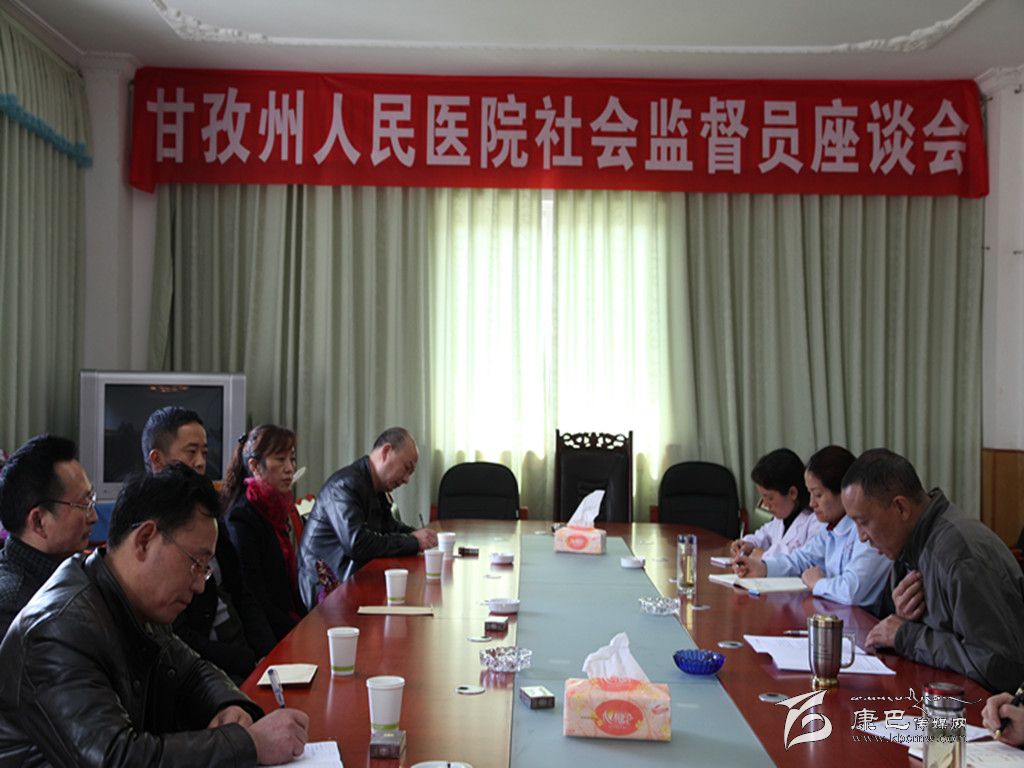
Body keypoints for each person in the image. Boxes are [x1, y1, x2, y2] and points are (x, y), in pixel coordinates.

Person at [0, 464, 309, 766]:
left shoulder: (131, 598)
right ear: (145, 539)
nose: (200, 585)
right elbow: (116, 758)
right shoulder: (58, 630)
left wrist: (227, 705)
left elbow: (192, 670)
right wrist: (248, 744)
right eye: (196, 563)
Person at [842, 448, 1024, 692]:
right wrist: (903, 620)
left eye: (863, 522)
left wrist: (908, 636)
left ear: (901, 508)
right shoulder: (909, 545)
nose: (861, 537)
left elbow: (1000, 668)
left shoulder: (959, 555)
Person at [143, 407, 275, 682]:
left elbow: (241, 592)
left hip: (242, 648)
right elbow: (178, 637)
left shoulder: (208, 512)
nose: (201, 462)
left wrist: (269, 653)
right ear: (157, 459)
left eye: (204, 452)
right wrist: (249, 661)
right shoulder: (150, 531)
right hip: (203, 670)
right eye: (191, 452)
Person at [733, 445, 891, 607]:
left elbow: (851, 591)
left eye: (818, 495)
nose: (811, 503)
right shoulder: (829, 527)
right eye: (810, 494)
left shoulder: (868, 530)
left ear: (844, 492)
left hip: (860, 618)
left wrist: (817, 583)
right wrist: (764, 569)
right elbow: (802, 559)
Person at [298, 427, 438, 609]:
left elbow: (390, 527)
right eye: (406, 468)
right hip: (327, 592)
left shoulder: (374, 485)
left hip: (354, 581)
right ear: (386, 451)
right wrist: (414, 542)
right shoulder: (344, 486)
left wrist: (418, 535)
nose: (406, 479)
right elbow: (357, 544)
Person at [0, 435, 97, 637]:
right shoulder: (15, 606)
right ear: (38, 521)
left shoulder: (69, 570)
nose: (94, 517)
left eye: (91, 500)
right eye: (83, 505)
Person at [222, 424, 305, 641]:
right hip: (264, 634)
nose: (290, 468)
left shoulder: (274, 507)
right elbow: (255, 599)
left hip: (286, 621)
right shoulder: (241, 518)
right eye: (280, 459)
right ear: (255, 466)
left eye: (292, 459)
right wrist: (300, 630)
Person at [729, 448, 823, 560]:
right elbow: (764, 535)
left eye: (770, 498)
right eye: (763, 497)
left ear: (792, 493)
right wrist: (748, 544)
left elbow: (800, 559)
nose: (765, 504)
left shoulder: (815, 522)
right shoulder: (781, 519)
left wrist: (763, 555)